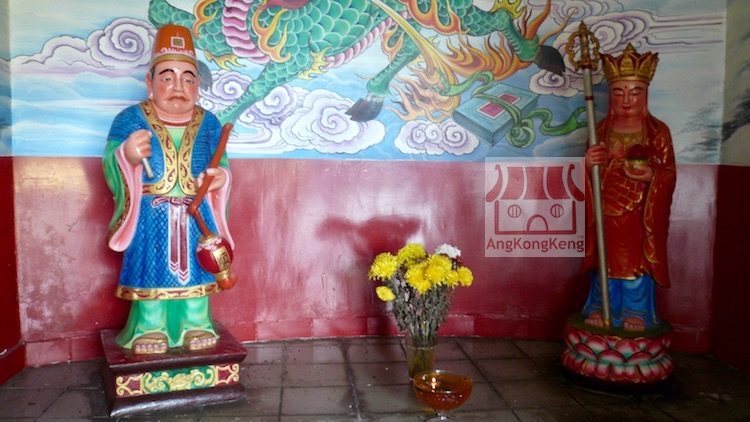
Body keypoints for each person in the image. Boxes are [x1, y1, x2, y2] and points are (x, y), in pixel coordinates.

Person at [103, 24, 233, 354]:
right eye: (167, 77)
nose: (178, 86)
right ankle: (150, 327)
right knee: (152, 268)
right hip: (151, 213)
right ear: (150, 83)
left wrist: (220, 179)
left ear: (198, 86)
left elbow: (222, 165)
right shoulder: (130, 120)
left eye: (188, 79)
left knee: (198, 271)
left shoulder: (209, 123)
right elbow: (110, 163)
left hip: (196, 213)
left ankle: (196, 324)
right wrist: (126, 155)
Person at [581, 44, 676, 332]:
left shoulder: (658, 132)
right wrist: (589, 163)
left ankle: (637, 311)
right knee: (605, 259)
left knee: (635, 261)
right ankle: (601, 307)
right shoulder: (599, 130)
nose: (626, 100)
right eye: (618, 93)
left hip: (639, 213)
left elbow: (668, 173)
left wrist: (651, 176)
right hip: (606, 208)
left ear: (645, 95)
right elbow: (590, 174)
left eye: (634, 93)